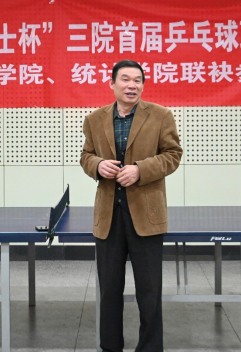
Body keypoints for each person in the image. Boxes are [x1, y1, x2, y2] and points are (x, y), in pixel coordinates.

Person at [80, 60, 183, 352]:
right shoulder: (94, 119)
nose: (132, 85)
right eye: (125, 79)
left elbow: (173, 155)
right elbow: (86, 156)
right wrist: (97, 165)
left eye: (137, 80)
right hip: (108, 217)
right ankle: (110, 347)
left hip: (147, 216)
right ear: (112, 84)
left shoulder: (161, 116)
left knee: (149, 293)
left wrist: (140, 170)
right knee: (109, 292)